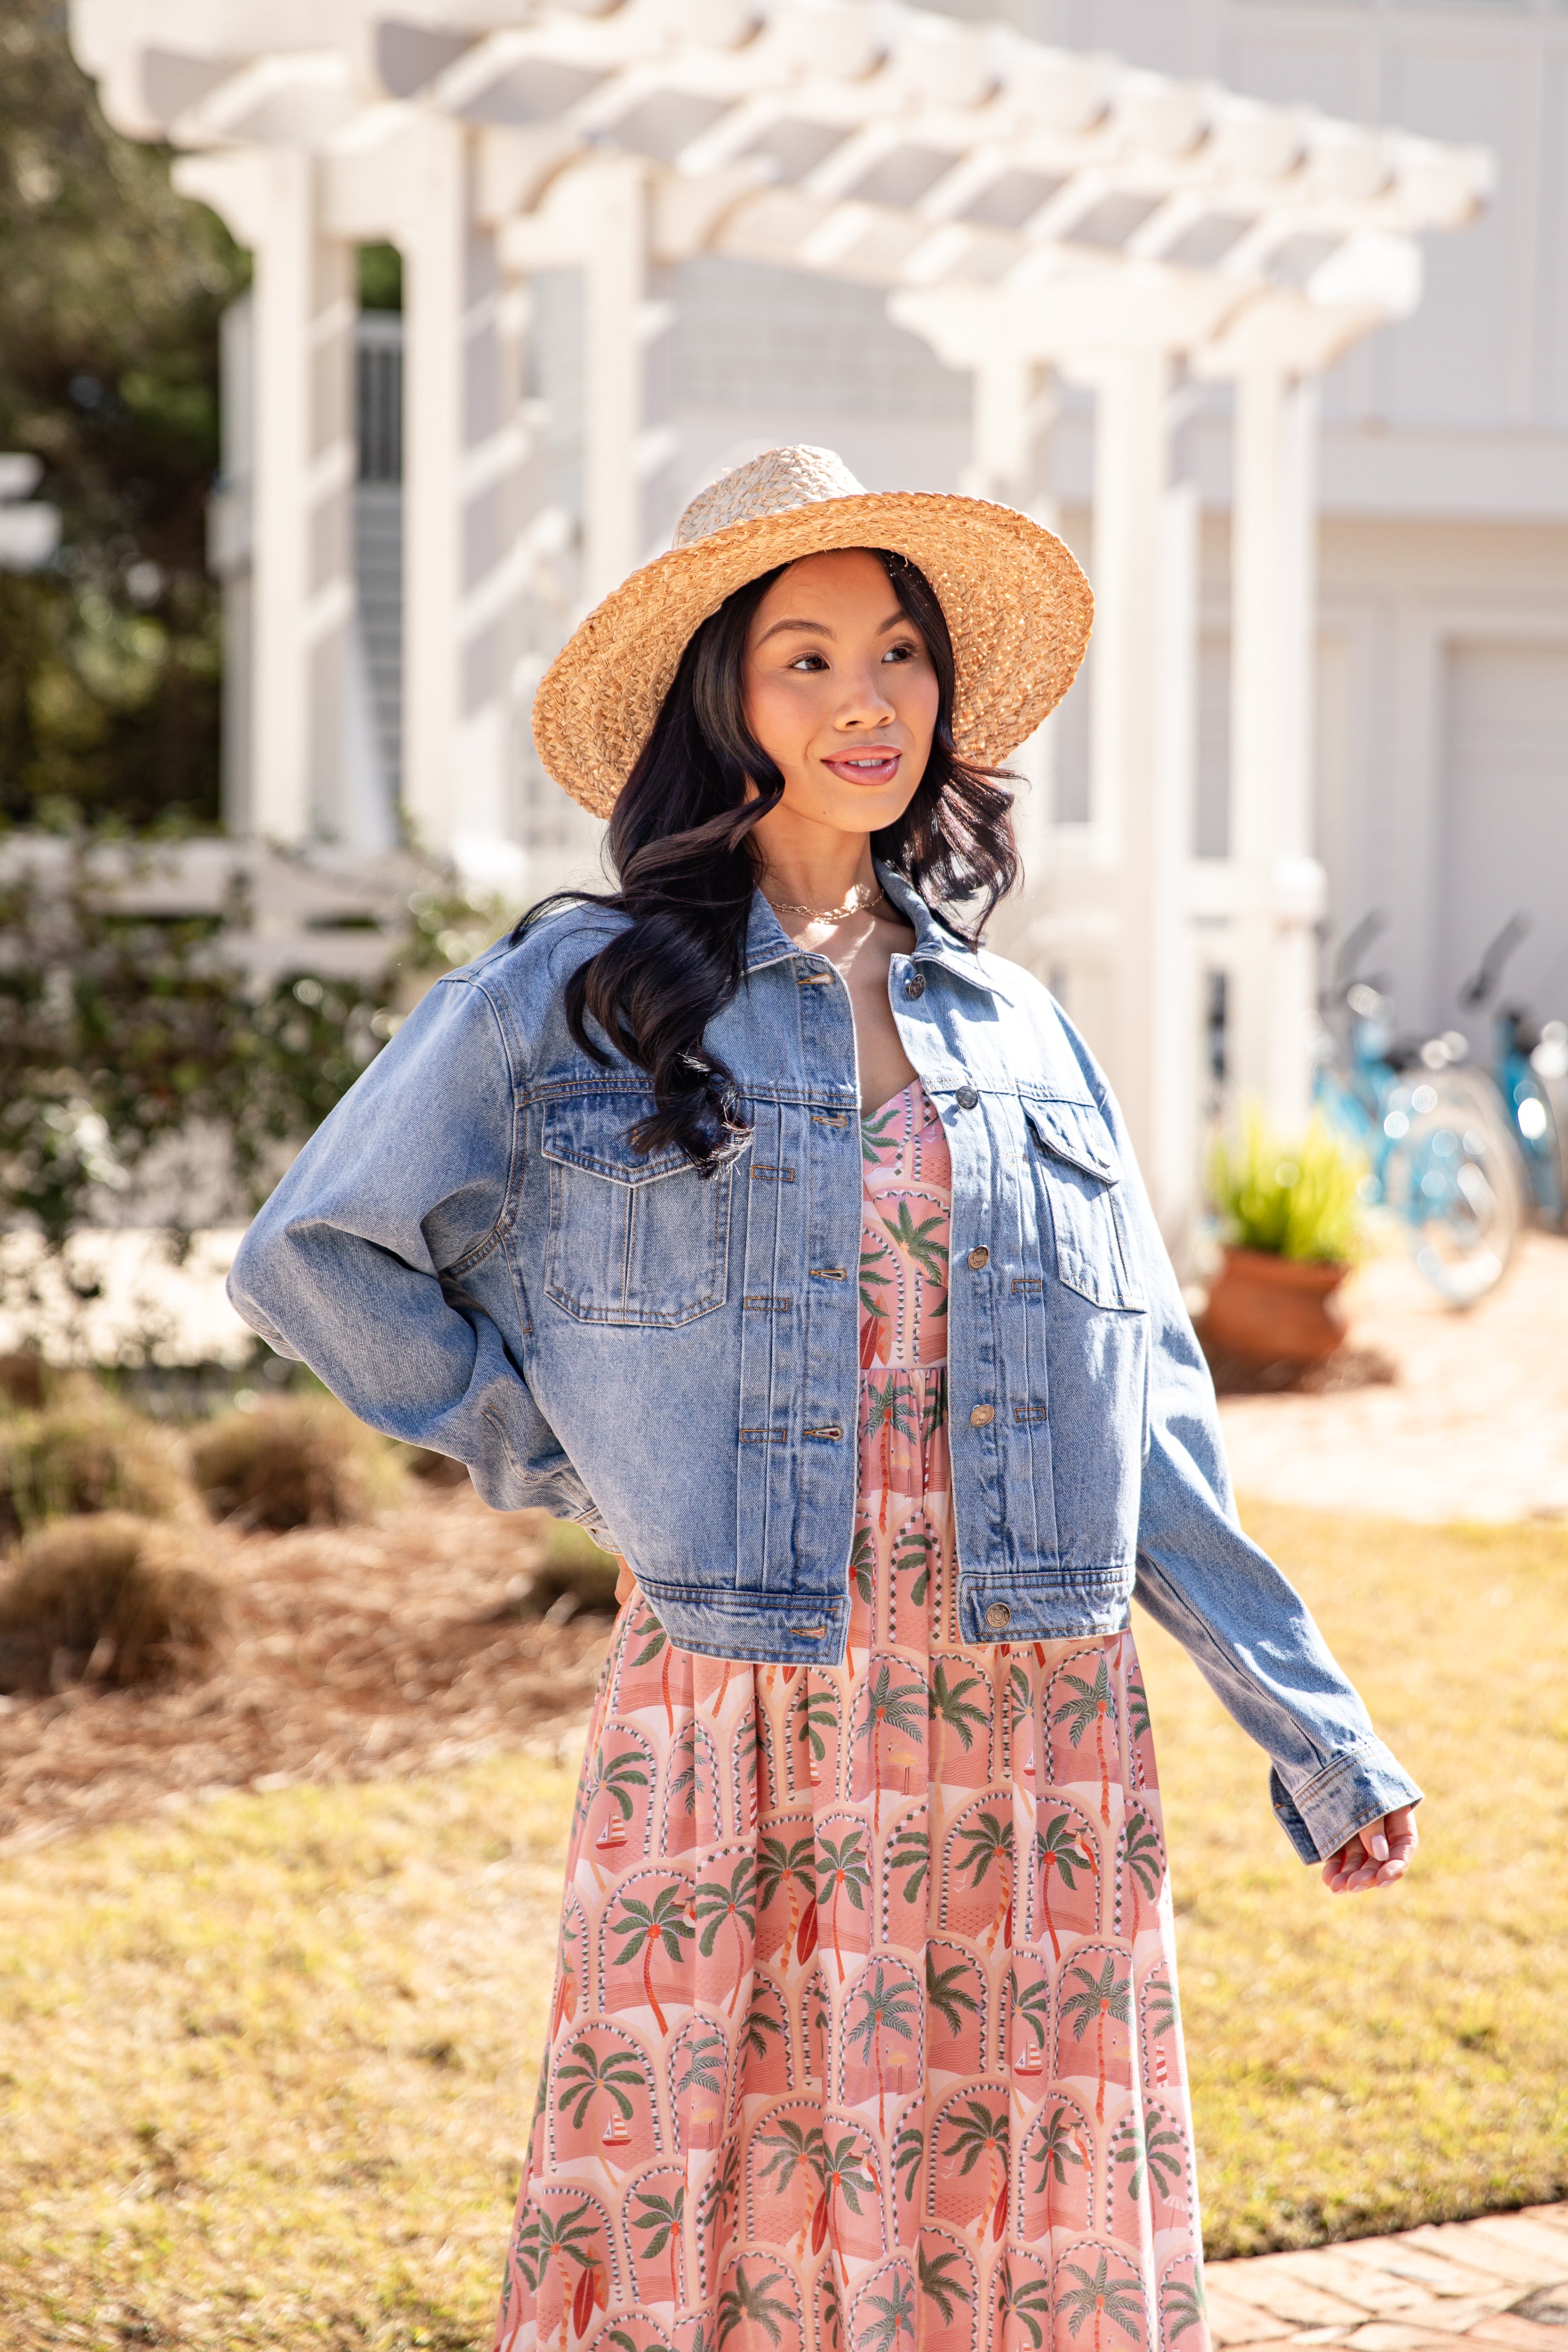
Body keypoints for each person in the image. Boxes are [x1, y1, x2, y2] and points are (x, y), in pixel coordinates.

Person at [228, 445, 1420, 2352]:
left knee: (1002, 2221)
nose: (866, 700)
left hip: (1030, 1719)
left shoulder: (1019, 1029)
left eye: (898, 654)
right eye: (805, 658)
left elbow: (1144, 1412)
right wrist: (578, 1461)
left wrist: (1316, 1732)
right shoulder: (582, 991)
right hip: (750, 1698)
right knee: (729, 2192)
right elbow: (314, 1253)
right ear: (723, 698)